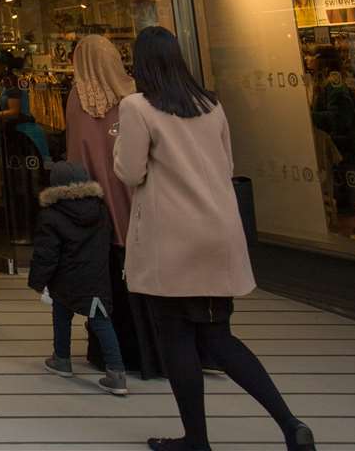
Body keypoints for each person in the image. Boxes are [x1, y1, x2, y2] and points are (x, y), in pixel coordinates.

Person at [115, 26, 316, 451]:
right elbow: (225, 165)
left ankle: (197, 439)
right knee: (218, 336)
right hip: (218, 233)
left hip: (170, 239)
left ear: (140, 63)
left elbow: (130, 172)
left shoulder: (137, 107)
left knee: (175, 339)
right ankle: (289, 422)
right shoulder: (209, 104)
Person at [66, 34, 145, 373]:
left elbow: (76, 157)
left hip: (98, 207)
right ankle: (149, 350)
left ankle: (109, 351)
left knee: (106, 282)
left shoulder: (77, 98)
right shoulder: (136, 97)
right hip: (139, 203)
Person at [28, 160, 128, 397]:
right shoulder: (101, 210)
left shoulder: (51, 215)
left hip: (64, 279)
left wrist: (38, 281)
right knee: (101, 320)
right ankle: (116, 373)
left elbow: (46, 252)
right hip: (95, 277)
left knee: (61, 315)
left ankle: (62, 358)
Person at [310, 46, 355, 220]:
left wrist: (310, 116)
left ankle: (345, 227)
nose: (309, 60)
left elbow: (340, 118)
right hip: (340, 146)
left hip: (341, 147)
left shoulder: (334, 85)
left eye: (314, 57)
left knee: (344, 194)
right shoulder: (330, 83)